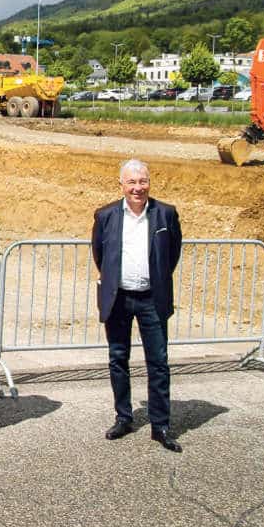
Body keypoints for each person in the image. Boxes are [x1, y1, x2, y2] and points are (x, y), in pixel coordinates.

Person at [92, 159, 183, 453]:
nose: (138, 188)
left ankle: (161, 425)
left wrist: (154, 277)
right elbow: (100, 254)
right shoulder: (105, 215)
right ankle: (124, 417)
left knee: (158, 362)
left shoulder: (165, 214)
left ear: (149, 183)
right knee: (118, 359)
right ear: (121, 185)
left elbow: (172, 254)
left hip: (151, 300)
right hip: (118, 298)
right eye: (131, 182)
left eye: (142, 181)